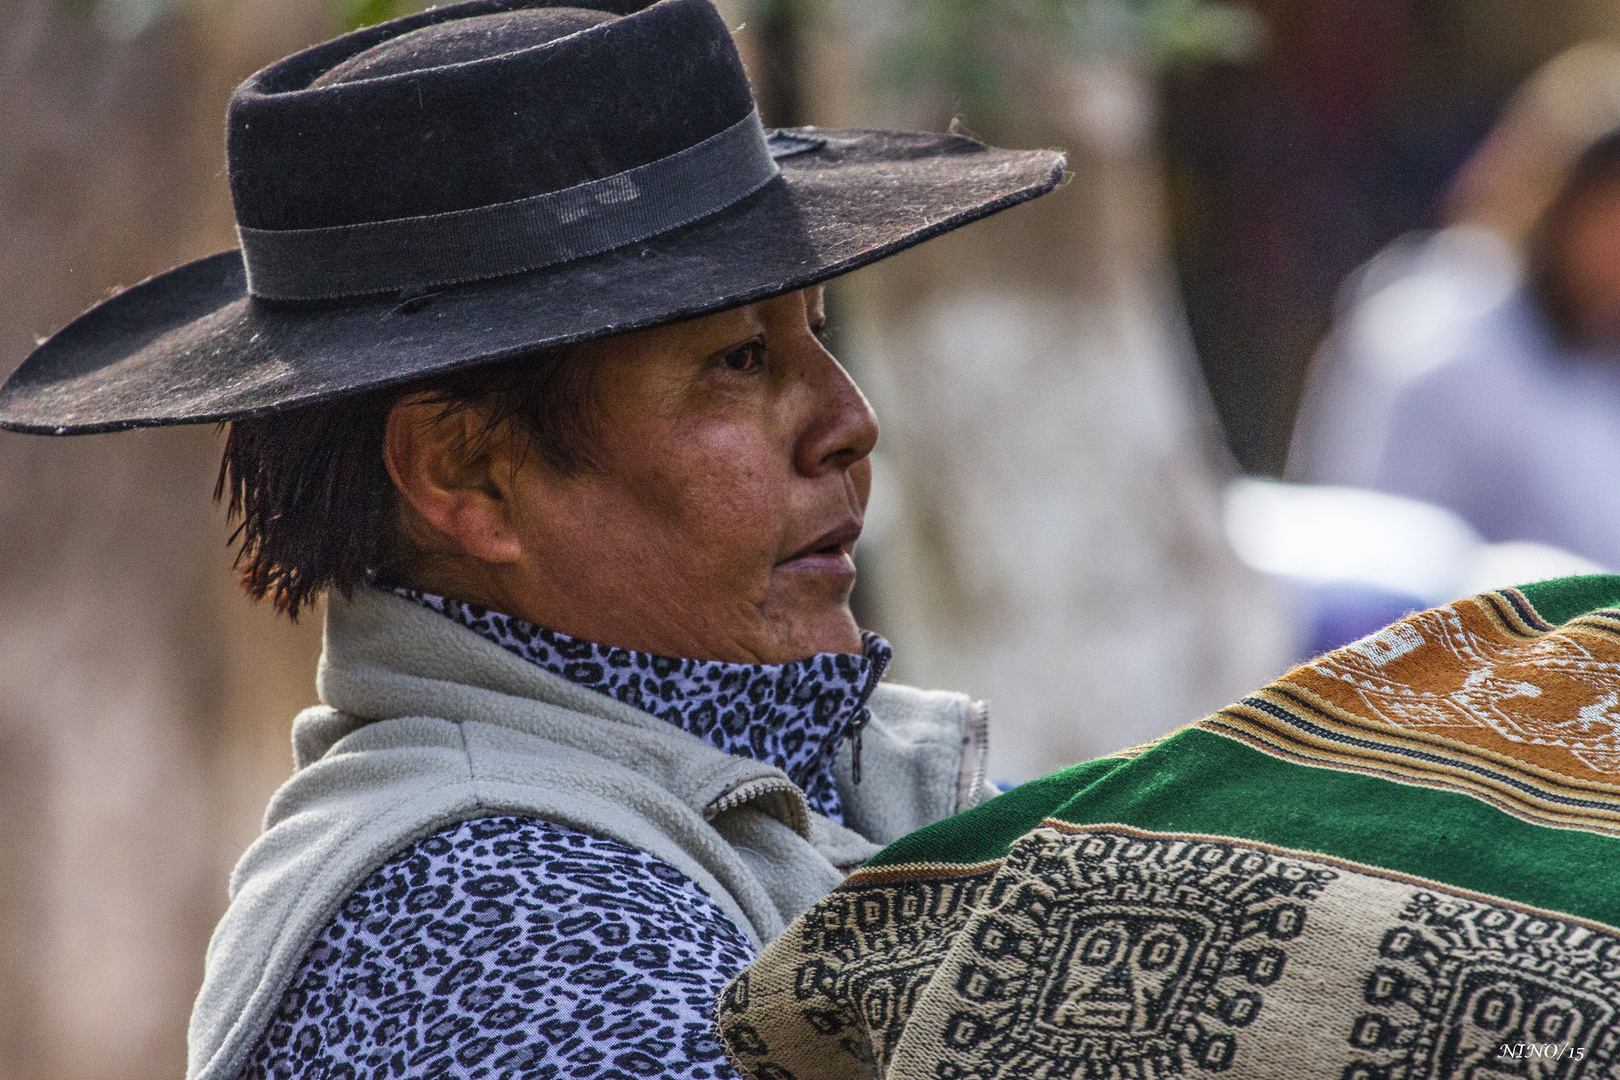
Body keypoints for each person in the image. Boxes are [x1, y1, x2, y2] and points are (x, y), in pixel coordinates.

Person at [0, 4, 1062, 1079]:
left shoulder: (812, 774)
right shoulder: (494, 926)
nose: (848, 422)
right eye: (739, 361)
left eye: (815, 336)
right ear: (469, 474)